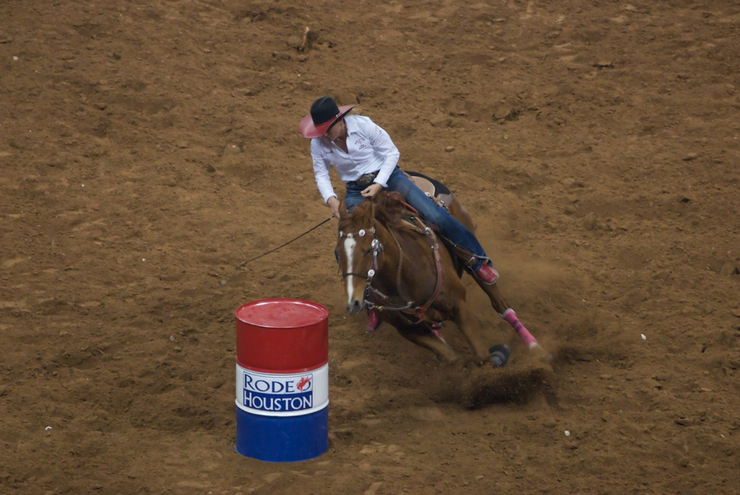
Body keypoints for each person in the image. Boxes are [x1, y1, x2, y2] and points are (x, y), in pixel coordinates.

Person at [300, 96, 499, 332]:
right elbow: (321, 175)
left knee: (435, 215)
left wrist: (379, 184)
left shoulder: (363, 126)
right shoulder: (319, 143)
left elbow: (391, 153)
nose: (323, 135)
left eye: (326, 129)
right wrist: (331, 199)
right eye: (320, 131)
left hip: (390, 178)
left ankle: (477, 261)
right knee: (345, 247)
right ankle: (373, 305)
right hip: (356, 191)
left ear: (339, 121)